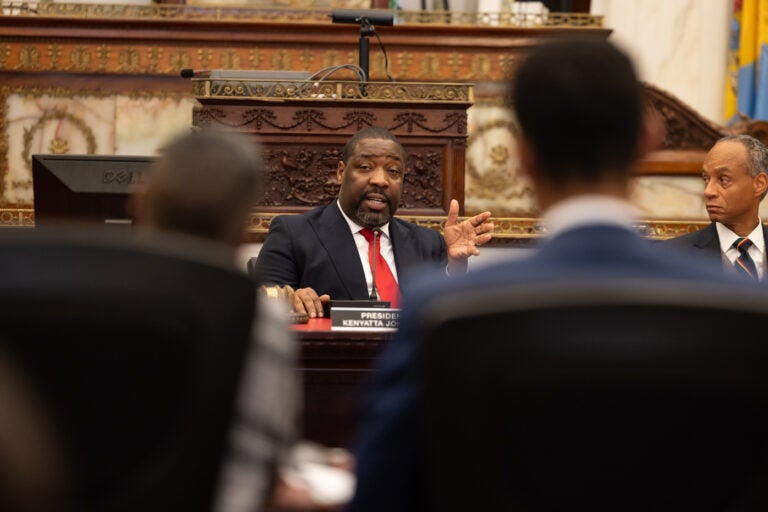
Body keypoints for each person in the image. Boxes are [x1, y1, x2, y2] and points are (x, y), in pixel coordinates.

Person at [345, 38, 756, 512]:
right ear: (648, 141)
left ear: (523, 156)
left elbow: (381, 494)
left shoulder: (442, 311)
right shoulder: (745, 309)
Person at [131, 128, 301, 512]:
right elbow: (270, 456)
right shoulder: (262, 318)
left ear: (138, 202)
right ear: (243, 231)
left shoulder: (94, 295)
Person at [249, 126, 495, 318]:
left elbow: (448, 316)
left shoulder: (428, 243)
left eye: (393, 171)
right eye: (366, 167)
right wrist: (289, 298)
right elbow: (260, 307)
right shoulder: (293, 234)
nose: (380, 180)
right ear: (341, 172)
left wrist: (455, 266)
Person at [661, 134, 768, 280]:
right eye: (706, 179)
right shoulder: (671, 257)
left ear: (759, 184)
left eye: (723, 179)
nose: (708, 191)